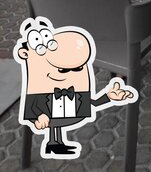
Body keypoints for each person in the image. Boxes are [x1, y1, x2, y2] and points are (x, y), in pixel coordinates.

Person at [14, 16, 137, 159]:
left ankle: (55, 143)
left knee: (57, 122)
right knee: (54, 121)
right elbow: (33, 105)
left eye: (77, 68)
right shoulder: (40, 92)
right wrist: (37, 118)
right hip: (113, 35)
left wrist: (108, 97)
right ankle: (54, 143)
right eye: (63, 70)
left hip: (89, 29)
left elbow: (91, 103)